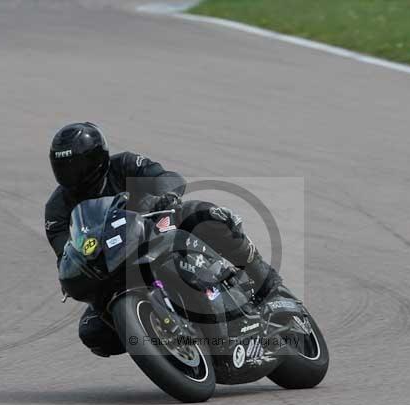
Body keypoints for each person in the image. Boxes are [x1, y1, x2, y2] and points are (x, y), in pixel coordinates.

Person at [45, 122, 282, 357]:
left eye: (78, 166)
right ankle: (160, 342)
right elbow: (65, 252)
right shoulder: (57, 209)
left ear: (98, 158)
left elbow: (167, 177)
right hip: (112, 266)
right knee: (92, 332)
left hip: (155, 230)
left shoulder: (124, 164)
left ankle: (260, 273)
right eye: (64, 168)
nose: (72, 175)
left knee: (200, 214)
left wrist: (165, 195)